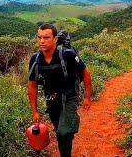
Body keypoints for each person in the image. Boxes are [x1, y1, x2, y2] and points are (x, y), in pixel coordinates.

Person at [27, 23, 92, 157]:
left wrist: (87, 97)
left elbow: (86, 74)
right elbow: (32, 85)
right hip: (51, 98)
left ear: (55, 39)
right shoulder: (35, 59)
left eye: (46, 38)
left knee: (62, 132)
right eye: (39, 37)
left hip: (70, 96)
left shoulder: (67, 54)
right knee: (59, 130)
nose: (42, 41)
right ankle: (68, 131)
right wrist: (35, 111)